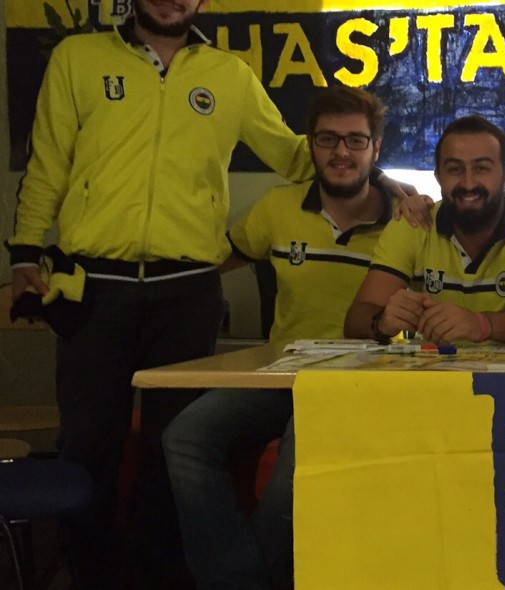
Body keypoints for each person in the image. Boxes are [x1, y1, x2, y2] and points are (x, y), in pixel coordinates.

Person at [2, 1, 313, 586]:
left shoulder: (230, 75)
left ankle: (154, 576)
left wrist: (377, 177)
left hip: (187, 293)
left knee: (172, 448)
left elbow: (295, 154)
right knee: (89, 445)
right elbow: (48, 163)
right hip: (93, 289)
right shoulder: (78, 58)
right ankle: (93, 576)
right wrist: (24, 252)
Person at [161, 86, 409, 589]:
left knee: (297, 459)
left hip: (365, 380)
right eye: (328, 139)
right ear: (310, 145)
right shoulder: (277, 208)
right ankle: (242, 580)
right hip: (281, 374)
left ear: (376, 148)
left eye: (355, 140)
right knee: (183, 436)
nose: (341, 152)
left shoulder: (410, 220)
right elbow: (211, 261)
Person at [344, 115, 505, 345]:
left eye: (482, 168)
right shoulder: (412, 224)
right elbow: (355, 321)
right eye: (455, 169)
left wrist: (482, 324)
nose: (468, 183)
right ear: (438, 176)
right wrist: (382, 321)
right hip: (433, 369)